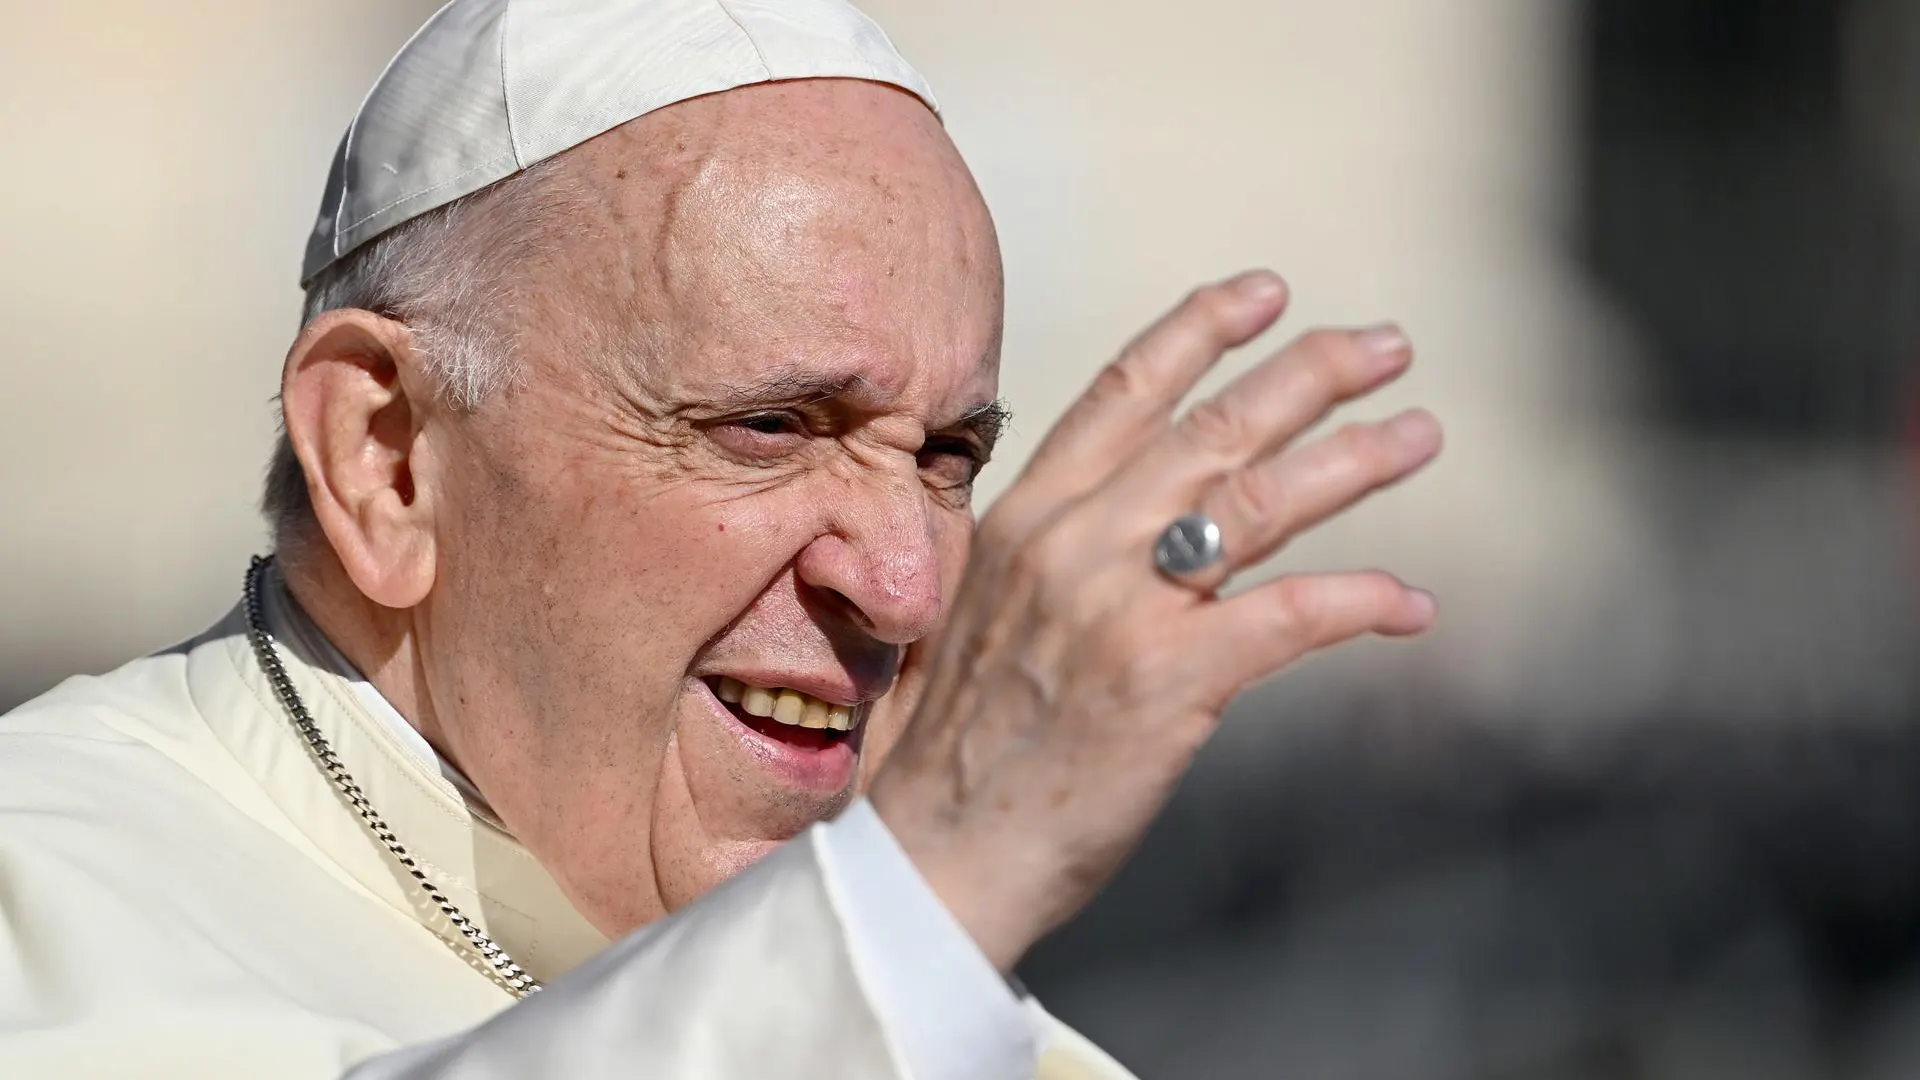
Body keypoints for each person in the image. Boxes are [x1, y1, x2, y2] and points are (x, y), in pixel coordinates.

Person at [0, 0, 1442, 1076]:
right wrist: (932, 886)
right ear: (387, 461)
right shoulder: (44, 884)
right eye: (771, 428)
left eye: (947, 458)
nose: (909, 585)